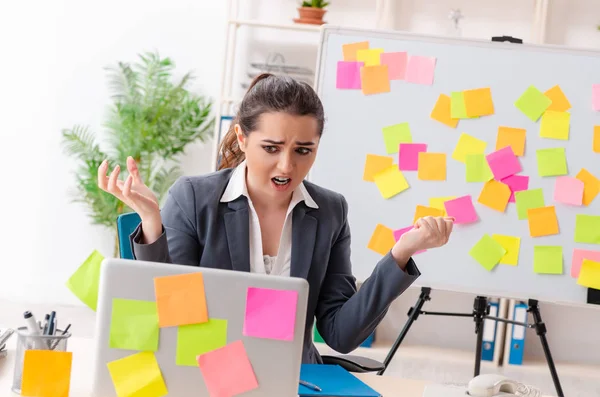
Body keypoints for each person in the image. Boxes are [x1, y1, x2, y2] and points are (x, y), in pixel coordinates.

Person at [97, 73, 454, 364]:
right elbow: (171, 314)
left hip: (292, 378)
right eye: (271, 148)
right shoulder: (193, 197)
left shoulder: (330, 211)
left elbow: (341, 334)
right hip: (208, 372)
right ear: (242, 136)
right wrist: (151, 223)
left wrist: (400, 256)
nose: (287, 166)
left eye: (303, 151)